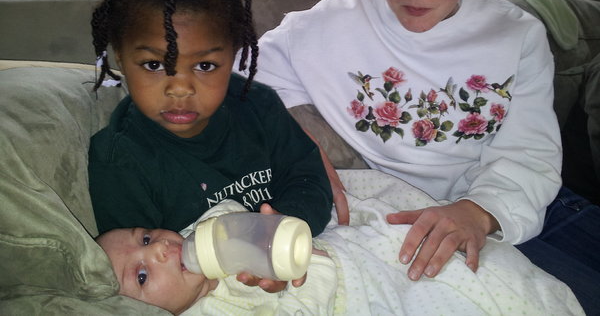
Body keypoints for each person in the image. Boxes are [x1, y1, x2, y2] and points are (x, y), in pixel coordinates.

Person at [251, 0, 600, 312]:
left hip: (511, 208)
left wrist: (478, 212)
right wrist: (296, 145)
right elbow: (243, 70)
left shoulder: (517, 37)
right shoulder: (329, 24)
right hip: (391, 215)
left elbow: (529, 154)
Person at [87, 0, 333, 292]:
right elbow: (139, 281)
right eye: (154, 65)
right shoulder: (120, 161)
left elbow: (309, 179)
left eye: (205, 66)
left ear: (232, 55)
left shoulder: (258, 106)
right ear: (120, 57)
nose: (180, 89)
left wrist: (281, 231)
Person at [97, 176, 584, 316]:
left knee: (446, 274)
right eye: (142, 275)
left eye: (145, 237)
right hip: (346, 302)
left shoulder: (206, 227)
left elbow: (259, 224)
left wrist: (260, 230)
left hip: (355, 265)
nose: (159, 251)